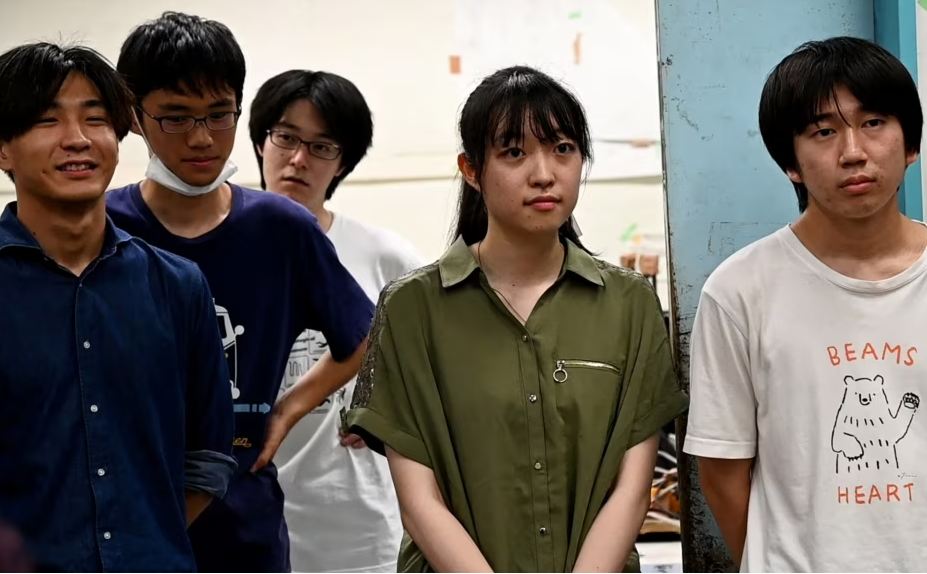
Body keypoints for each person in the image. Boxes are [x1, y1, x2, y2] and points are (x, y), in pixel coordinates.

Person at [683, 36, 927, 572]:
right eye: (823, 131)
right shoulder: (739, 290)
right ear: (790, 162)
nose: (853, 152)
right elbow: (722, 468)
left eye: (873, 123)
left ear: (910, 143)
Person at [344, 65, 688, 573]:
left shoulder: (629, 304)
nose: (544, 172)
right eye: (514, 152)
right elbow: (420, 502)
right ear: (471, 169)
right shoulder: (412, 308)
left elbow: (632, 490)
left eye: (563, 149)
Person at [105, 12, 375, 572]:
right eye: (176, 118)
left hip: (245, 527)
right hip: (122, 522)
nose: (202, 138)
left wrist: (286, 411)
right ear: (135, 116)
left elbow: (366, 333)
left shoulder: (279, 228)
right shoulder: (105, 226)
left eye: (219, 113)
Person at [0, 42, 236, 572]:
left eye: (96, 119)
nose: (77, 139)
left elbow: (209, 459)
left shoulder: (178, 285)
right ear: (4, 150)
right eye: (45, 121)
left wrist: (141, 542)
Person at [248, 69, 422, 573]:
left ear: (343, 161)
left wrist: (393, 414)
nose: (299, 159)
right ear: (262, 141)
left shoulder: (386, 257)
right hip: (243, 521)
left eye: (322, 146)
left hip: (360, 528)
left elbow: (438, 379)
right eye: (286, 138)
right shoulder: (219, 251)